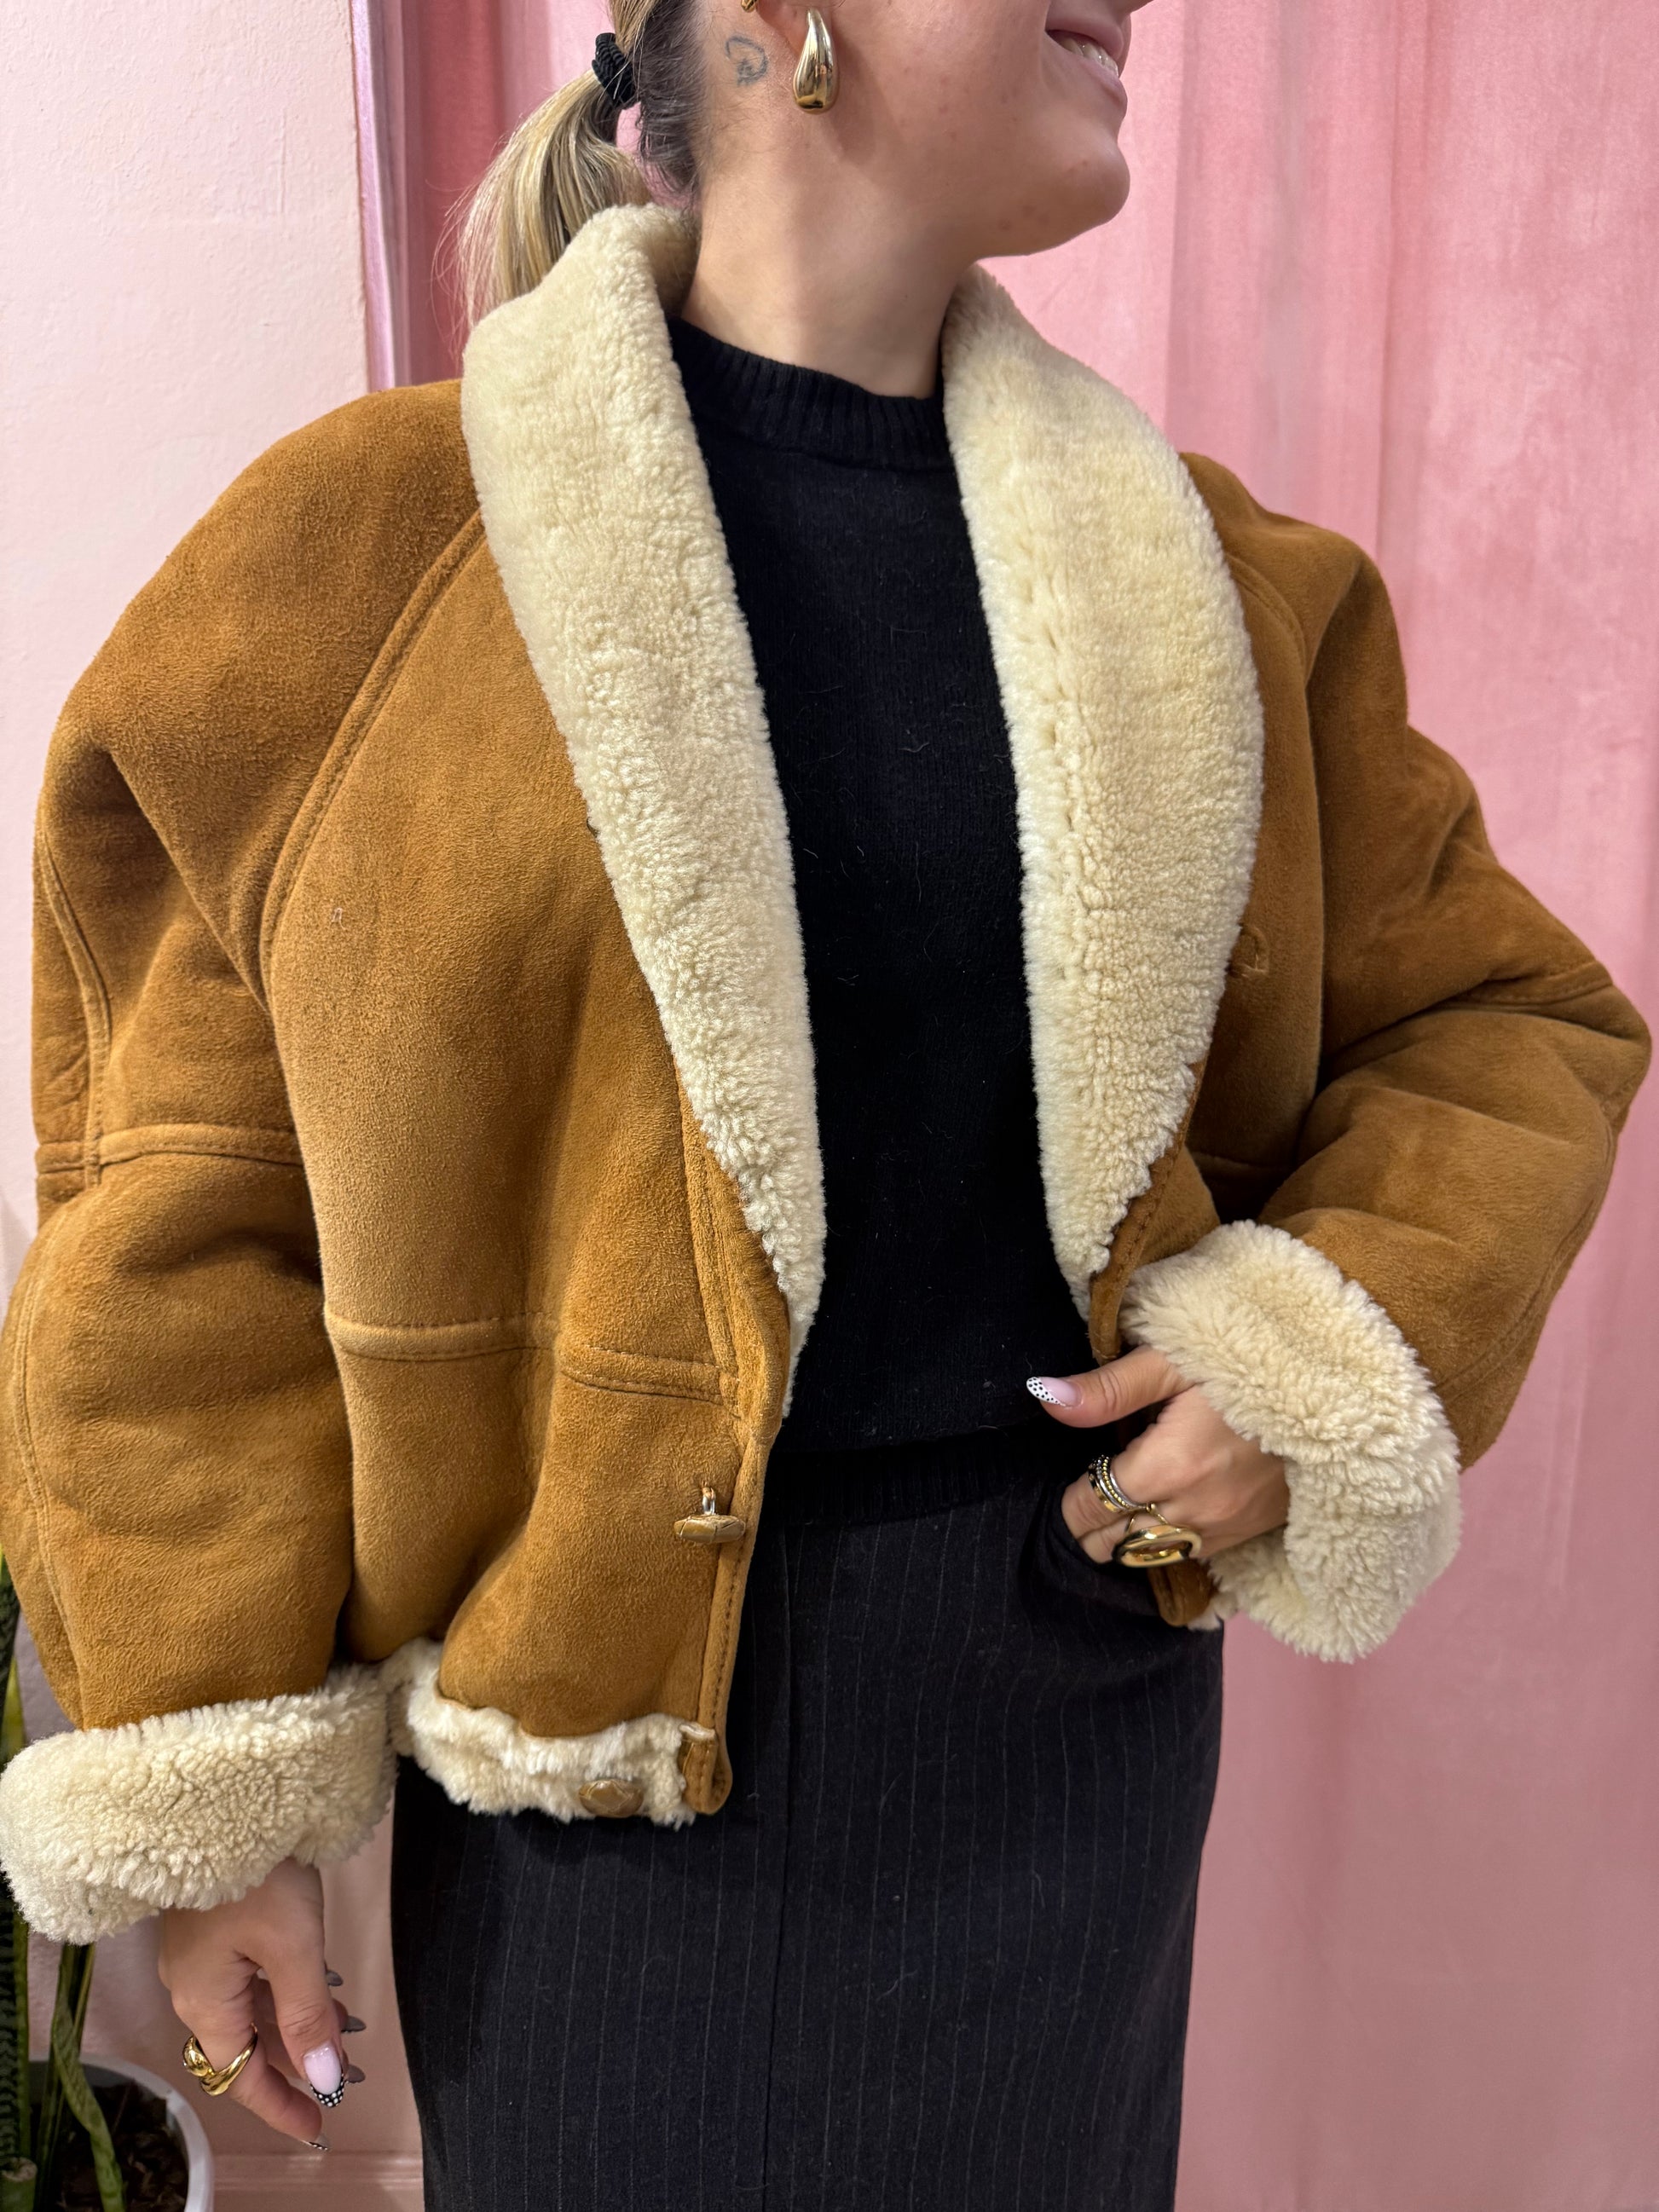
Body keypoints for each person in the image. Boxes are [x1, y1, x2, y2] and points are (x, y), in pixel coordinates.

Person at [0, 1, 1646, 2206]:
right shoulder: (362, 565)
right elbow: (183, 1213)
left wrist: (1324, 1349)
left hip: (1071, 1715)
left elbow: (1510, 1018)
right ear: (782, 22)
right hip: (605, 1785)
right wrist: (212, 1794)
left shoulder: (1225, 589)